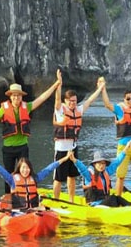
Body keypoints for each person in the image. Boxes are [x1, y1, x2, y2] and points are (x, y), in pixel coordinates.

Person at [0, 74, 61, 192]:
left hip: (22, 147)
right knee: (8, 175)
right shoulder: (4, 109)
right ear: (10, 96)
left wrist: (56, 84)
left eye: (18, 96)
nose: (16, 98)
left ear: (21, 97)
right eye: (14, 95)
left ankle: (26, 193)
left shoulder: (26, 107)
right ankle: (9, 197)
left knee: (25, 172)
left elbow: (42, 98)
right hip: (8, 148)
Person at [51, 73, 105, 202]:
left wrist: (100, 88)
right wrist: (59, 83)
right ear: (66, 101)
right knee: (58, 178)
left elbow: (90, 101)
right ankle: (56, 200)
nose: (73, 103)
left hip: (73, 148)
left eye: (74, 101)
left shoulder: (79, 110)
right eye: (70, 101)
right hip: (61, 149)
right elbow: (57, 100)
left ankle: (71, 200)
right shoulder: (60, 110)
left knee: (72, 176)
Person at [0, 144, 71, 209]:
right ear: (19, 169)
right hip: (18, 212)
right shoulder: (12, 179)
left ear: (30, 169)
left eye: (27, 168)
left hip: (33, 211)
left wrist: (64, 159)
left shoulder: (35, 178)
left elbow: (49, 169)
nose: (25, 170)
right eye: (23, 168)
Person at [68, 142, 131, 207]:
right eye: (99, 163)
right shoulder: (89, 175)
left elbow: (117, 162)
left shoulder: (106, 172)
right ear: (94, 164)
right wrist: (74, 160)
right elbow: (82, 169)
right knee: (113, 198)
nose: (101, 166)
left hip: (105, 203)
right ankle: (122, 210)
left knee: (117, 198)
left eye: (103, 163)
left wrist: (126, 148)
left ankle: (130, 207)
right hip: (94, 205)